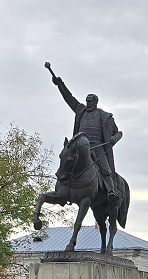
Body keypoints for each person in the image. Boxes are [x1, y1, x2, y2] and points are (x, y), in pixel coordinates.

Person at [51, 72, 123, 206]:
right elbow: (69, 98)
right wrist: (60, 84)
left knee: (106, 169)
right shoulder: (81, 111)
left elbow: (119, 132)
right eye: (87, 101)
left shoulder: (105, 117)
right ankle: (63, 188)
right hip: (80, 147)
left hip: (98, 147)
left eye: (91, 101)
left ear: (96, 102)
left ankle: (111, 192)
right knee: (67, 161)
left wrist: (114, 138)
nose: (88, 103)